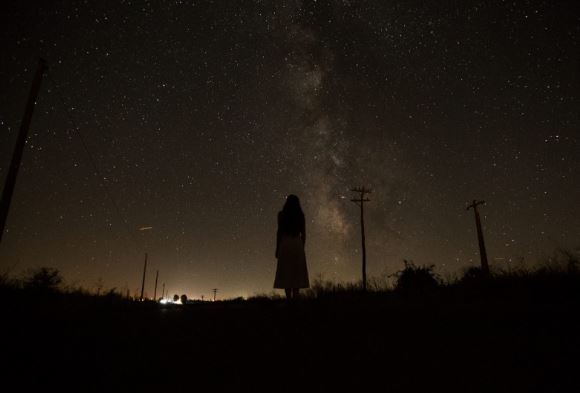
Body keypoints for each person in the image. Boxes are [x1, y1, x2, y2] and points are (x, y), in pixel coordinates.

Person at [274, 194, 309, 299]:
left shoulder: (281, 214)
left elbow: (279, 232)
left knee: (286, 272)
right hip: (297, 244)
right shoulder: (300, 215)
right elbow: (303, 233)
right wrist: (302, 246)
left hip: (285, 244)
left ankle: (289, 298)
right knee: (296, 272)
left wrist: (277, 248)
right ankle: (296, 298)